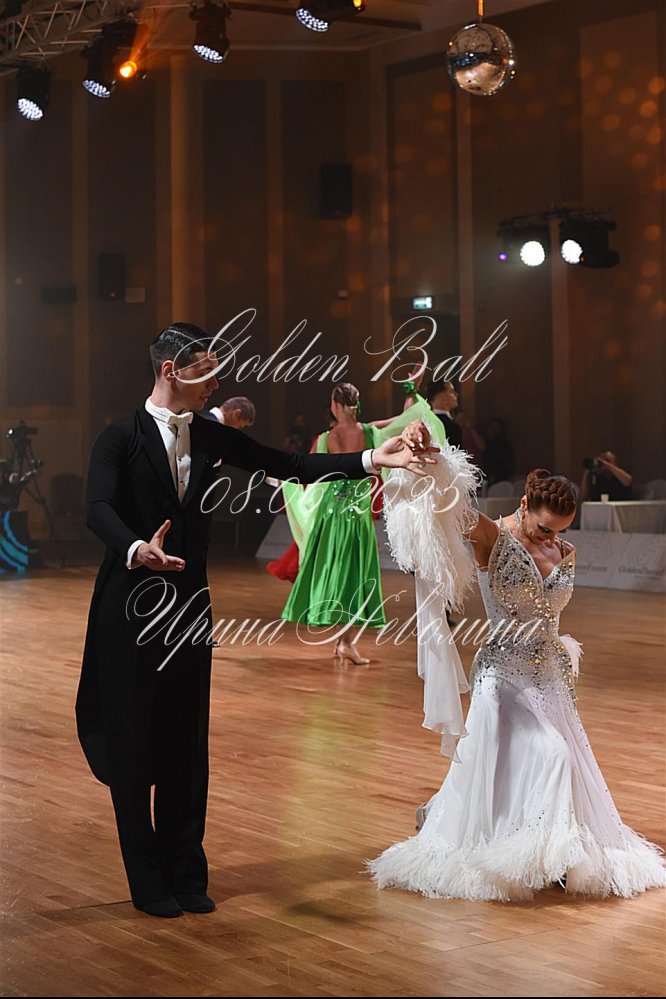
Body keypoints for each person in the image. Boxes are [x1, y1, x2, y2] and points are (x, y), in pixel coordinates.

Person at [75, 323, 436, 920]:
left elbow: (288, 463)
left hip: (188, 603)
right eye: (207, 371)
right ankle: (147, 878)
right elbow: (96, 508)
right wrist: (137, 547)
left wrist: (374, 457)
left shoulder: (209, 434)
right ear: (170, 371)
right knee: (134, 739)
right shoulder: (119, 437)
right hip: (129, 603)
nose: (217, 383)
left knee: (187, 739)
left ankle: (186, 871)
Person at [367, 463, 666, 900]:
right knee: (552, 755)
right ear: (524, 505)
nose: (552, 539)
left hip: (549, 679)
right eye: (545, 528)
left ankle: (551, 853)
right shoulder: (492, 536)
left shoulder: (564, 550)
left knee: (537, 761)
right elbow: (449, 508)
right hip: (502, 675)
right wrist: (432, 465)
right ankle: (541, 852)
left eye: (561, 530)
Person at [273, 383, 445, 666]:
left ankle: (342, 640)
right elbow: (407, 419)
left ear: (334, 405)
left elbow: (308, 473)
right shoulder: (370, 432)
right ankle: (345, 642)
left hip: (329, 512)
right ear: (357, 404)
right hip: (358, 512)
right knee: (355, 574)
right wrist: (411, 391)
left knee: (333, 570)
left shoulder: (325, 438)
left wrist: (286, 483)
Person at [425, 378, 462, 448]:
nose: (456, 394)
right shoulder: (452, 428)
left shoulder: (424, 421)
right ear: (442, 398)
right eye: (451, 391)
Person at [482, 416, 514, 485]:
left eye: (496, 428)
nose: (493, 430)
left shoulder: (503, 445)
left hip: (499, 477)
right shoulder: (484, 442)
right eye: (492, 427)